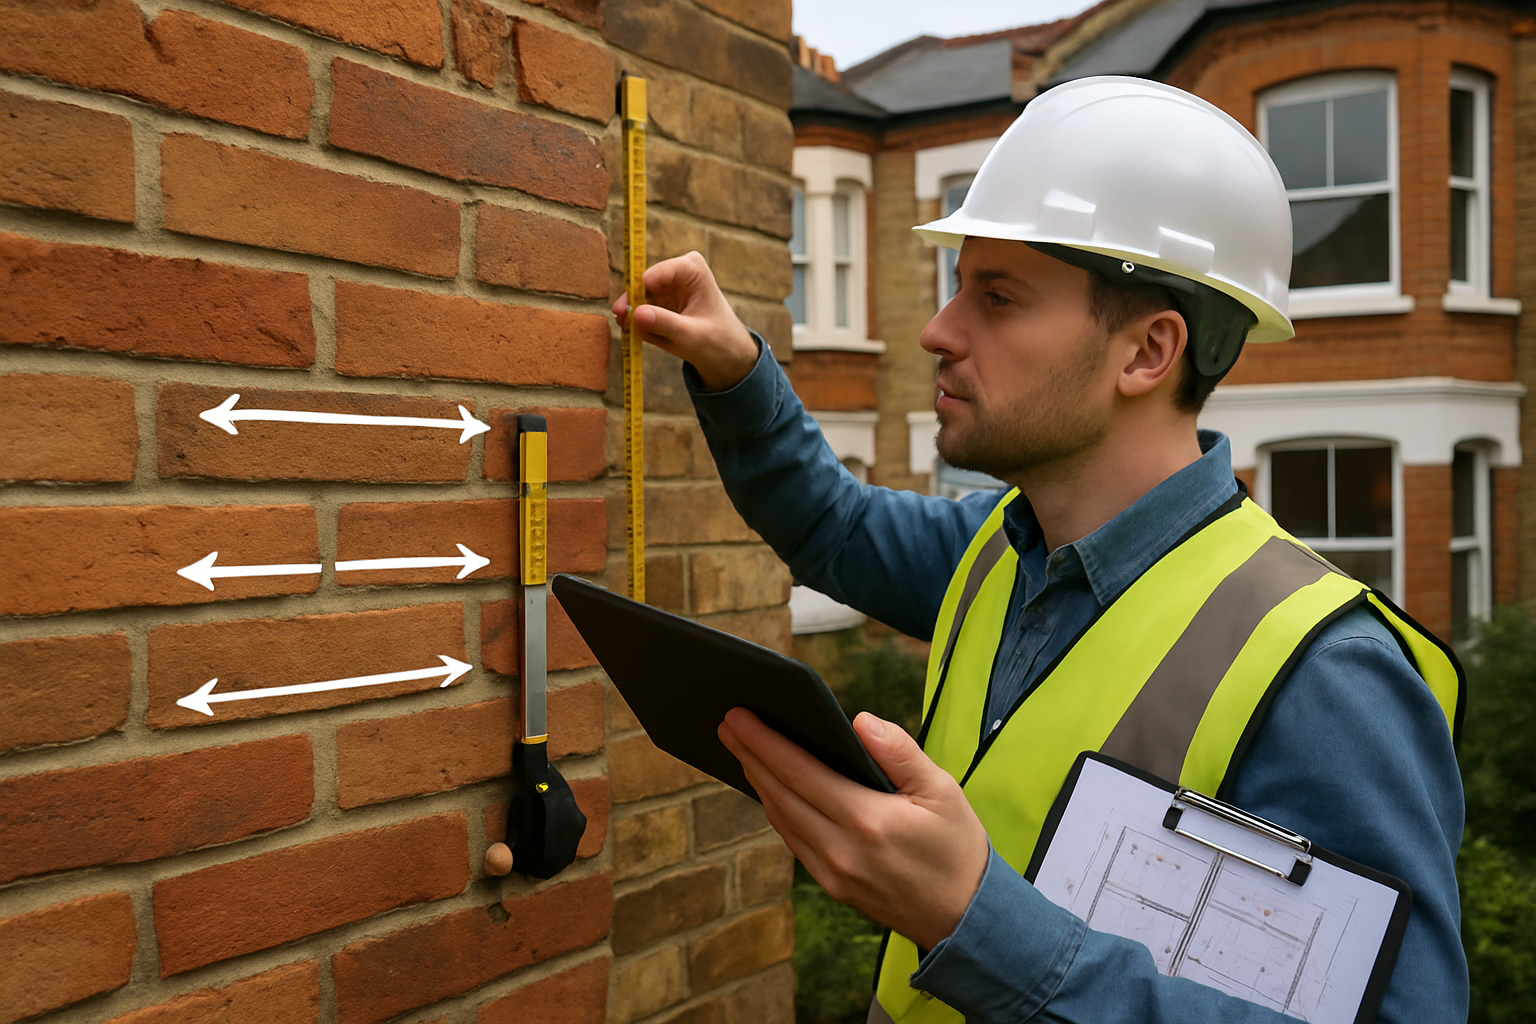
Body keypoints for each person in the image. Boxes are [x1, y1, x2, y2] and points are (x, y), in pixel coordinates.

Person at [614, 76, 1466, 1023]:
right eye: (956, 288)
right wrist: (737, 372)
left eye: (1000, 297)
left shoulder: (1328, 674)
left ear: (1148, 352)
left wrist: (971, 921)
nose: (939, 331)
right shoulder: (994, 549)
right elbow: (836, 529)